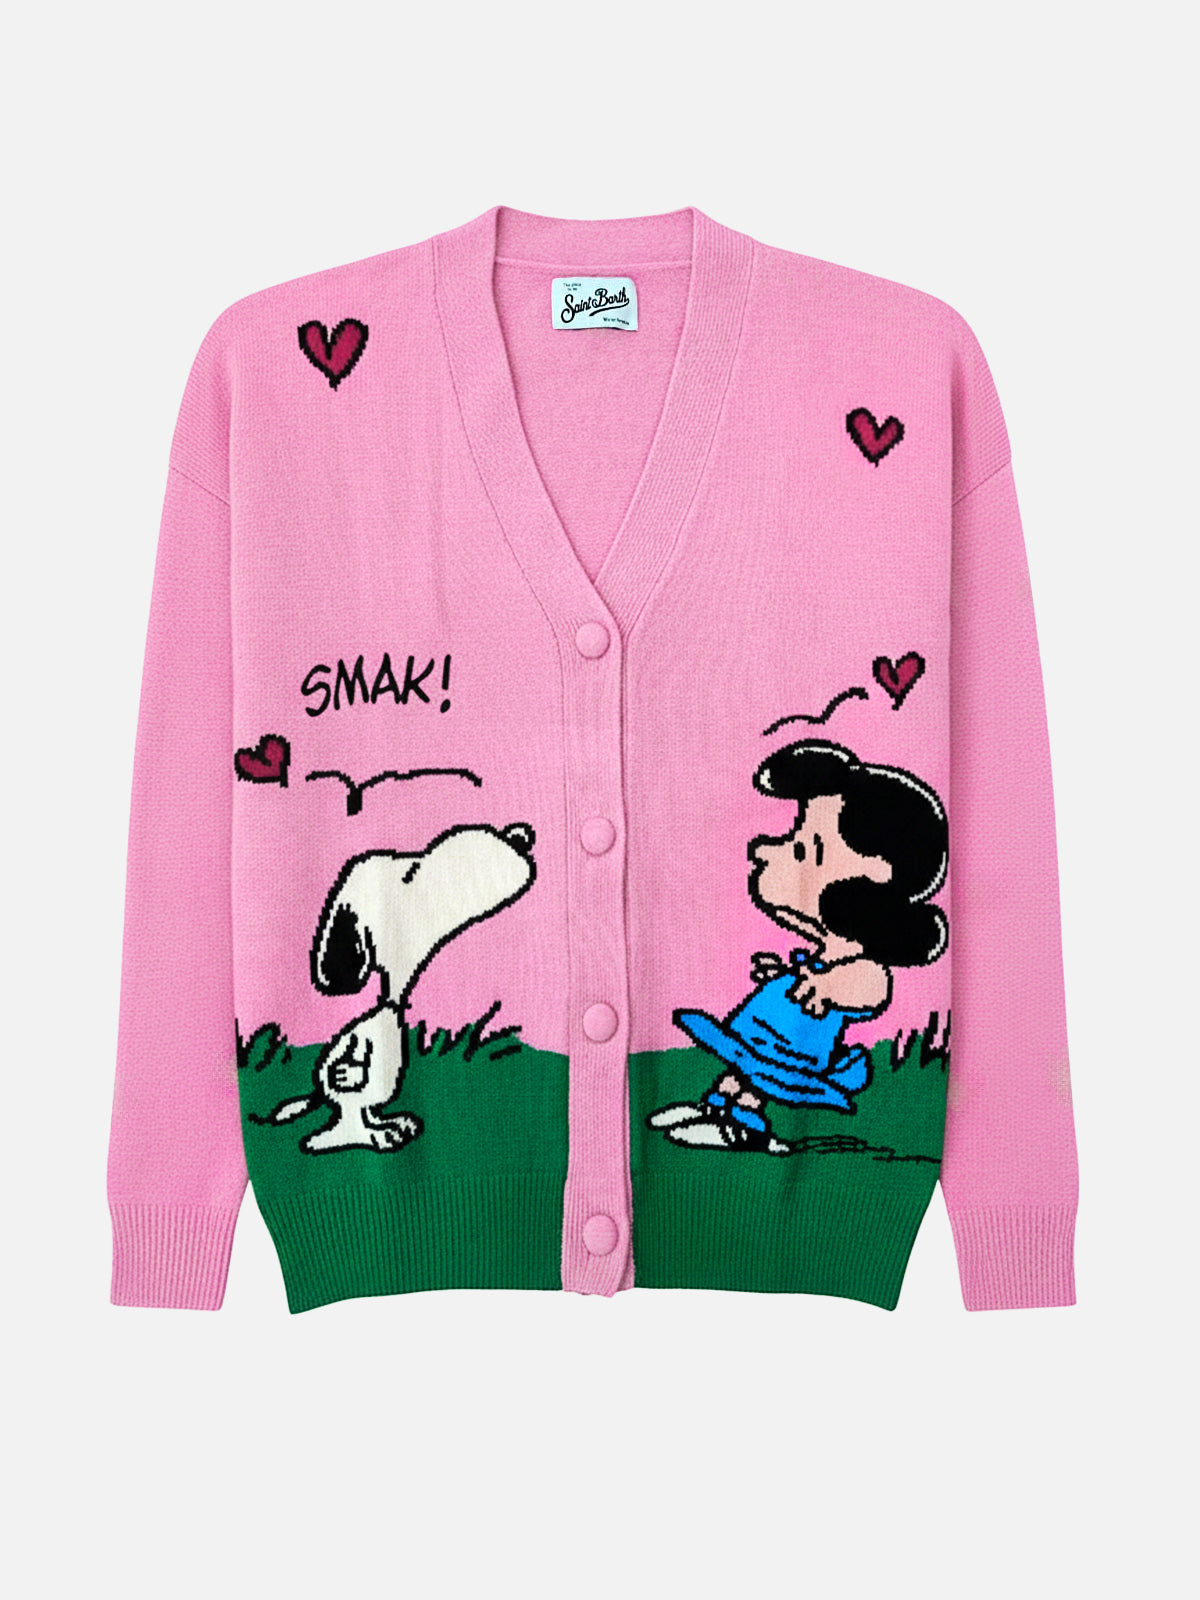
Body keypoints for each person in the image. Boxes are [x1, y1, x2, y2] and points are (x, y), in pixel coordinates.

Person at [650, 740, 948, 1154]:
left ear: (871, 876)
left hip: (789, 1050)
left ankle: (744, 1126)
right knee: (740, 1072)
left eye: (803, 850)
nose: (762, 849)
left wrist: (828, 987)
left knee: (757, 1081)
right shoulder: (826, 951)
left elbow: (872, 987)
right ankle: (715, 1108)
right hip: (763, 1035)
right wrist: (785, 975)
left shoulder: (861, 963)